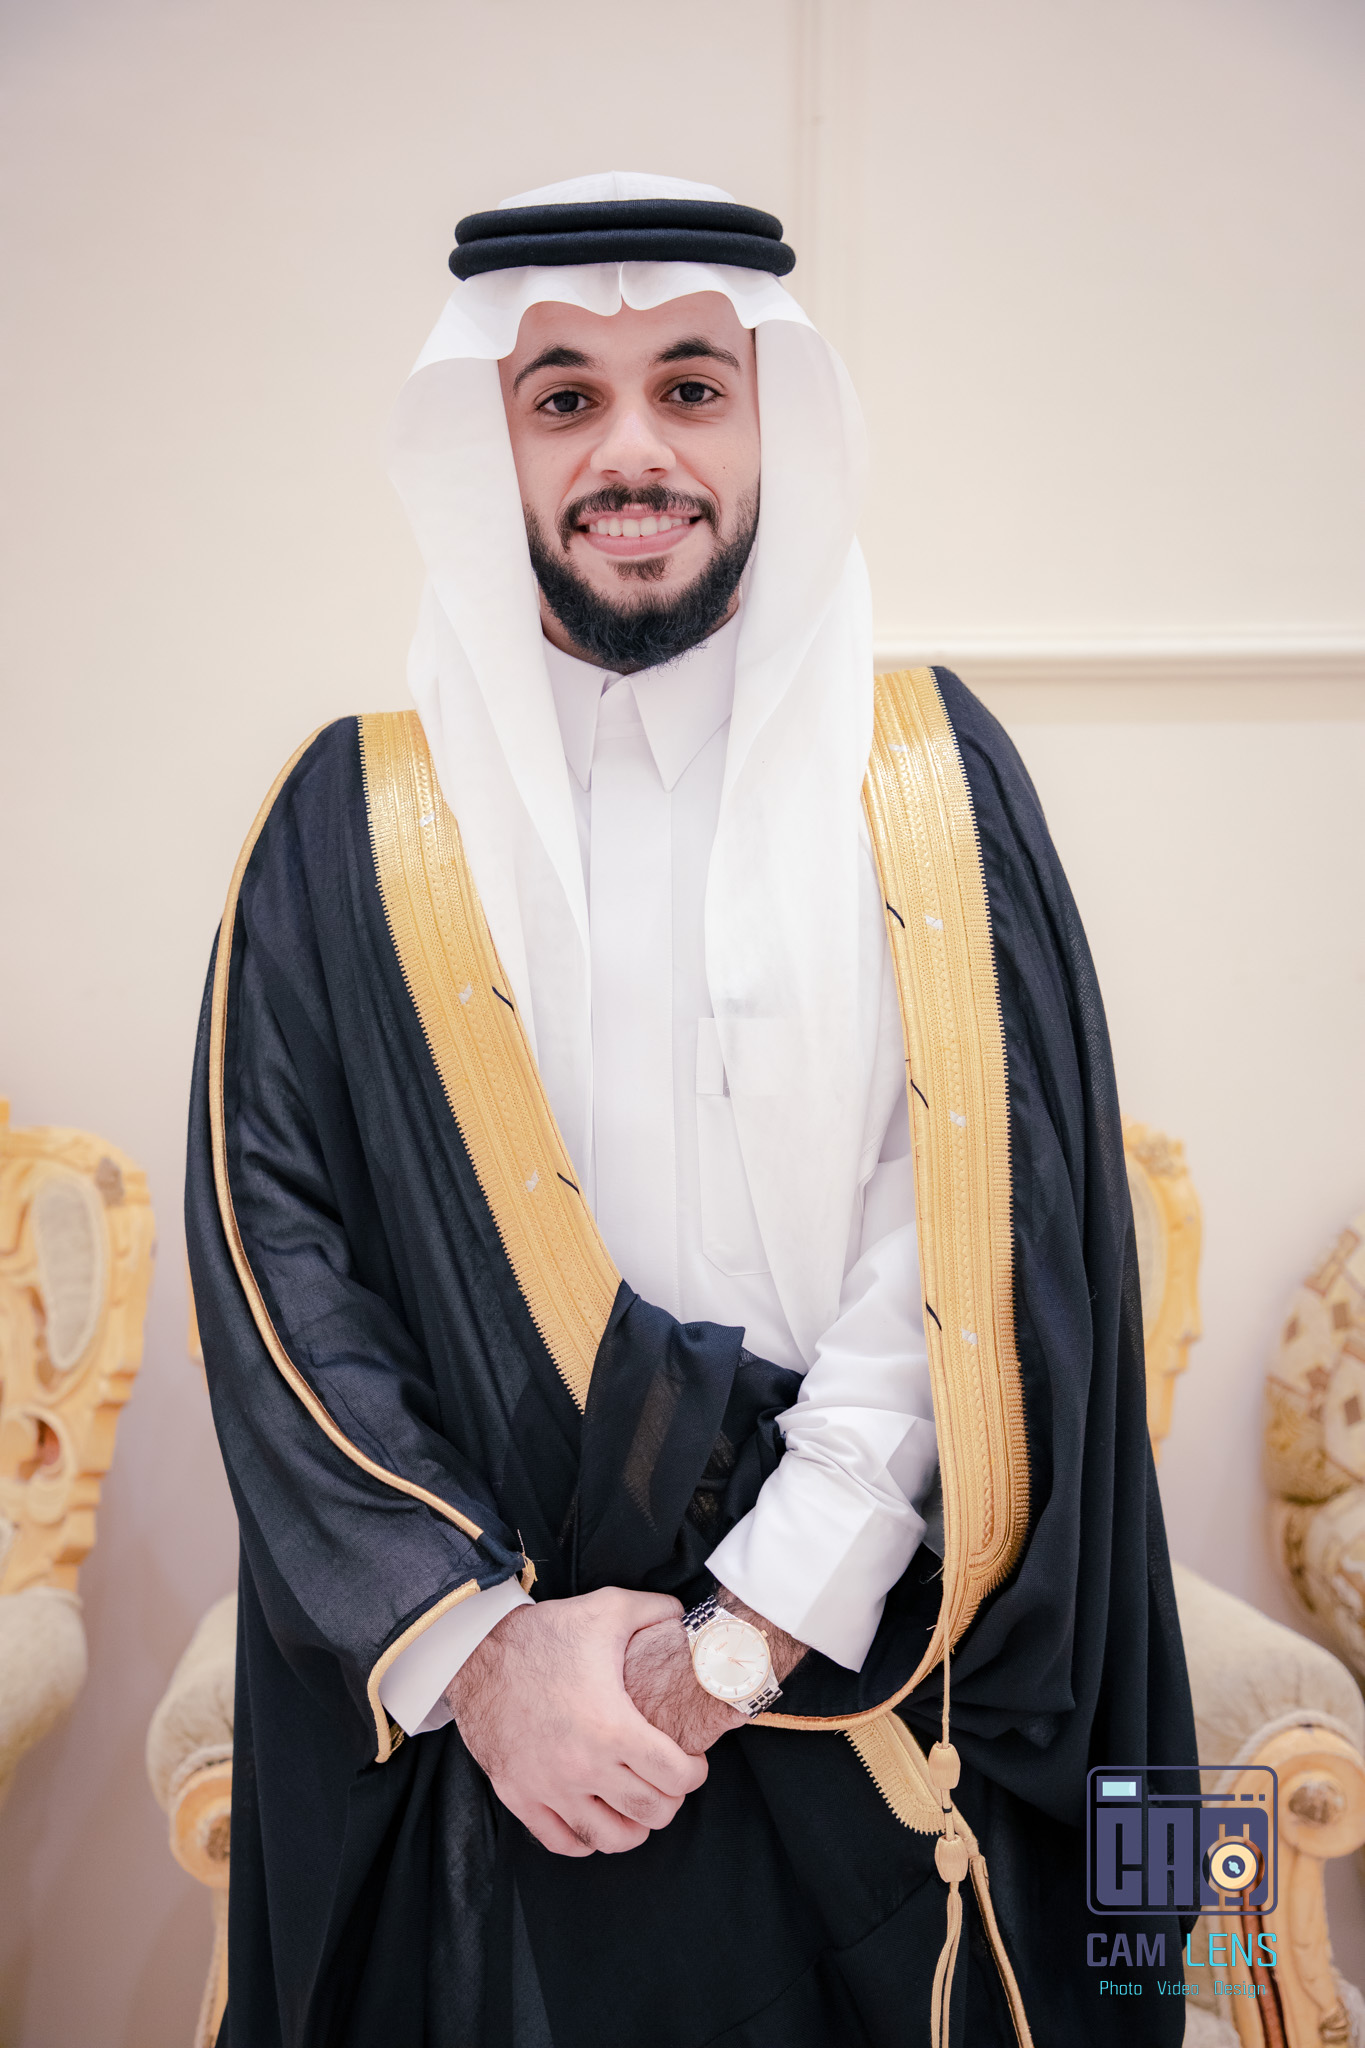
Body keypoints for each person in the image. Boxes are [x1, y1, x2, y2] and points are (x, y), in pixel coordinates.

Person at [186, 171, 1196, 2048]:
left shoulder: (934, 780)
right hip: (496, 1742)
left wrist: (744, 1635)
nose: (630, 449)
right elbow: (275, 1274)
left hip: (871, 1660)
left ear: (769, 421)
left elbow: (984, 1241)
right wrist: (487, 1657)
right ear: (486, 442)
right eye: (564, 395)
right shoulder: (346, 821)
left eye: (689, 387)